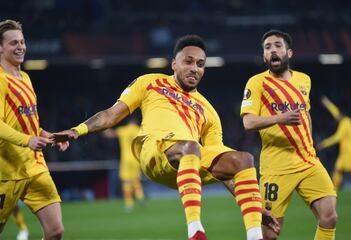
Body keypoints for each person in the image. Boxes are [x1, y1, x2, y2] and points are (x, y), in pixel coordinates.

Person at [54, 35, 279, 240]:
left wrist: (252, 203)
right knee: (191, 147)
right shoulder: (150, 82)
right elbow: (111, 116)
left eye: (200, 64)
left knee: (244, 160)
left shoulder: (209, 111)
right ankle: (196, 231)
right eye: (188, 61)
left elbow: (222, 170)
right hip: (154, 153)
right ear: (174, 64)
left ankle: (254, 235)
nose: (195, 69)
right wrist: (77, 130)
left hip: (188, 162)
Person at [240, 29, 337, 240]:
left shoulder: (304, 80)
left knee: (329, 216)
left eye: (277, 46)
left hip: (308, 161)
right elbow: (248, 122)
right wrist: (278, 118)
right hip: (276, 167)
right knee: (270, 233)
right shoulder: (256, 83)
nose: (272, 50)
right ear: (264, 55)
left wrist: (309, 144)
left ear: (289, 52)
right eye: (267, 48)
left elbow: (306, 114)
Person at [0, 19, 67, 239]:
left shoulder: (26, 77)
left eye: (22, 41)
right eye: (13, 43)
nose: (20, 47)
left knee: (55, 230)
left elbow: (27, 122)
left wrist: (48, 135)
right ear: (0, 47)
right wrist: (26, 140)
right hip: (6, 172)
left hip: (35, 166)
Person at [317, 96, 351, 195]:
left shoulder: (346, 123)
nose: (336, 118)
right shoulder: (343, 120)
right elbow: (335, 111)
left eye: (338, 116)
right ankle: (334, 191)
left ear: (342, 115)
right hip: (344, 152)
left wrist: (324, 143)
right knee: (337, 170)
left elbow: (337, 137)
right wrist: (327, 103)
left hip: (349, 152)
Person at [103, 117, 145, 212]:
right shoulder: (139, 130)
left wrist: (103, 127)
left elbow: (110, 134)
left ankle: (129, 204)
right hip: (136, 158)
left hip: (126, 159)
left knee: (126, 181)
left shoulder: (123, 130)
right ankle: (140, 197)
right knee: (135, 180)